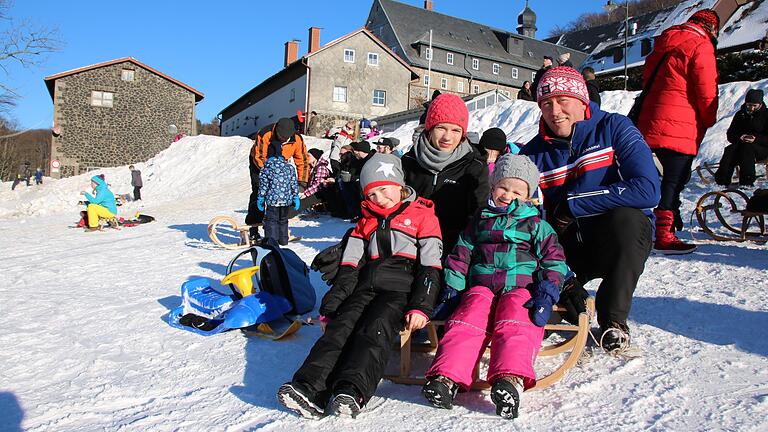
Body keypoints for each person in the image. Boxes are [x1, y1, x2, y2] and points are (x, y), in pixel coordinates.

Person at [277, 153, 443, 419]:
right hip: (365, 287)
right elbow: (349, 269)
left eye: (384, 190)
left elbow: (431, 267)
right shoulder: (363, 224)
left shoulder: (423, 216)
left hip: (400, 290)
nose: (379, 199)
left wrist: (421, 306)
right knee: (340, 328)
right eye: (372, 194)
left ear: (399, 185)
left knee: (374, 330)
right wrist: (331, 307)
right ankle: (309, 387)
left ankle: (351, 389)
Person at [520, 66, 660, 352]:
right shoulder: (531, 154)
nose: (555, 110)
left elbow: (648, 188)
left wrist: (574, 204)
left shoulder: (615, 128)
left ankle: (613, 320)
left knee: (629, 220)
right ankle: (568, 303)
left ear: (582, 101)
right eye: (546, 103)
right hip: (565, 246)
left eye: (563, 101)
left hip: (613, 236)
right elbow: (525, 219)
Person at [422, 154, 567, 419]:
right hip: (482, 285)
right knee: (467, 318)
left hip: (519, 286)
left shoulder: (537, 225)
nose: (508, 195)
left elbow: (554, 261)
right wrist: (453, 290)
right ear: (492, 186)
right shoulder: (479, 221)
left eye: (517, 191)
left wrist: (547, 293)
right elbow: (460, 256)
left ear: (528, 195)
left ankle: (509, 379)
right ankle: (446, 378)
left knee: (516, 319)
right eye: (503, 187)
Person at [636, 9, 720, 254]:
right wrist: (709, 117)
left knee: (649, 180)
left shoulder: (663, 42)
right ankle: (663, 235)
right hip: (679, 126)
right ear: (711, 28)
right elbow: (706, 90)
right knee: (673, 182)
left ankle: (644, 231)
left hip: (649, 123)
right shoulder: (700, 45)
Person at [402, 93, 490, 257]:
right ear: (429, 128)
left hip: (455, 253)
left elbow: (478, 216)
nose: (447, 137)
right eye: (441, 128)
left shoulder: (474, 166)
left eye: (456, 130)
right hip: (410, 248)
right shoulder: (408, 162)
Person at [246, 118, 308, 241]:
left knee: (281, 194)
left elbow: (302, 161)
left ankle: (275, 227)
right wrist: (271, 174)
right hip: (260, 166)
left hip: (282, 168)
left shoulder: (297, 139)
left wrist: (302, 182)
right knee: (259, 192)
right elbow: (259, 157)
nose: (284, 139)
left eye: (287, 138)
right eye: (281, 137)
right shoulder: (265, 134)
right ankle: (254, 227)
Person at [715, 89, 768, 187]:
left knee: (746, 149)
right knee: (730, 149)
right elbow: (730, 134)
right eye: (749, 105)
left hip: (763, 147)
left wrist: (756, 139)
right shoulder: (740, 114)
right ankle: (722, 181)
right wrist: (740, 138)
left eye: (754, 106)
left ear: (760, 104)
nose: (751, 108)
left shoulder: (766, 115)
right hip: (742, 144)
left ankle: (746, 181)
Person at [257, 138, 300, 246]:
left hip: (273, 201)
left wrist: (261, 198)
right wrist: (295, 196)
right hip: (286, 201)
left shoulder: (267, 168)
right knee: (283, 220)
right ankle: (283, 240)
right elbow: (293, 183)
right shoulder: (289, 167)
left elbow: (263, 185)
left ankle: (272, 242)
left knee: (271, 221)